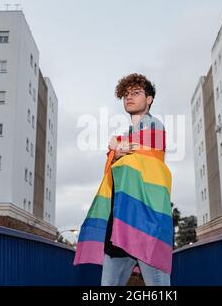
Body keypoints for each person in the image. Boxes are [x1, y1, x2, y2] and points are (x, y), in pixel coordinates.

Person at [74, 73, 173, 286]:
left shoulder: (155, 126)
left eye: (136, 93)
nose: (129, 97)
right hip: (120, 223)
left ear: (149, 99)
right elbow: (113, 168)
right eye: (126, 94)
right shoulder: (126, 136)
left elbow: (143, 149)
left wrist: (117, 148)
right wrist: (117, 151)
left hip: (146, 222)